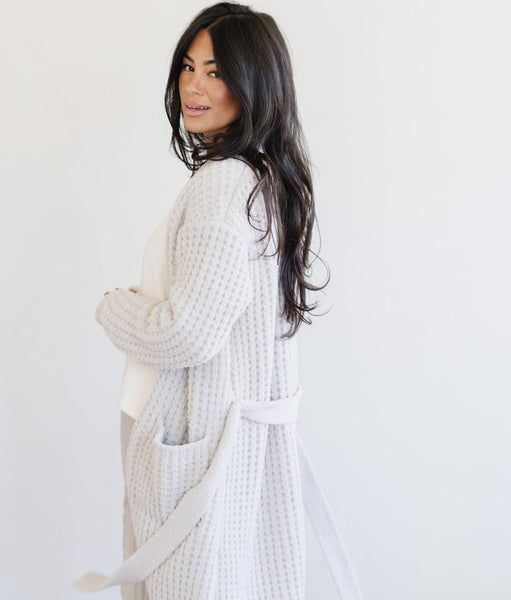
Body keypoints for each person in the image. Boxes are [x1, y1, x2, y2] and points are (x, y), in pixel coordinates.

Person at [72, 3, 363, 599]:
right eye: (187, 66)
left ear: (255, 83)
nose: (194, 86)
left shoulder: (222, 184)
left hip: (195, 439)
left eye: (216, 71)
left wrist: (112, 307)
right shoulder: (269, 180)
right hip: (233, 443)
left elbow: (187, 332)